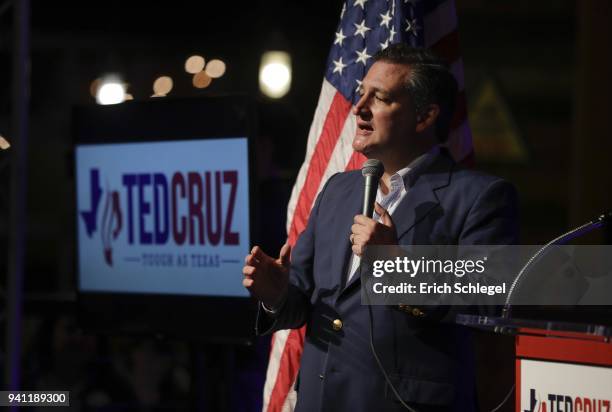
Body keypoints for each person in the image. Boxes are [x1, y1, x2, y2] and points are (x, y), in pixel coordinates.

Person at [242, 44, 519, 412]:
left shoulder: (481, 198)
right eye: (361, 94)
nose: (358, 108)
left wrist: (393, 266)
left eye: (380, 98)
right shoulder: (337, 189)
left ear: (424, 116)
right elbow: (304, 304)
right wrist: (277, 296)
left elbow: (481, 304)